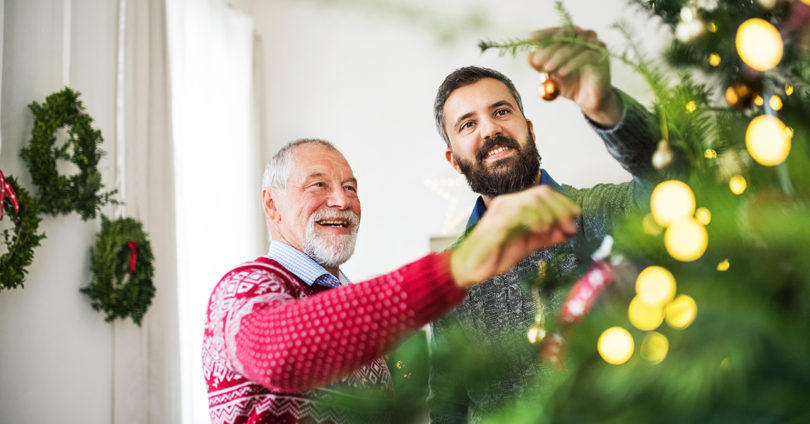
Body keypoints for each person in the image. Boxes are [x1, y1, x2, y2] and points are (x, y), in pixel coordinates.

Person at [202, 138, 584, 423]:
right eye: (318, 185)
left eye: (350, 187)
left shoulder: (353, 312)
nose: (341, 200)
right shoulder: (244, 287)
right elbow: (277, 352)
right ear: (271, 204)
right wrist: (455, 267)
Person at [428, 27, 658, 422]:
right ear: (454, 161)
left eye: (501, 111)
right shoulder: (449, 275)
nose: (490, 129)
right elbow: (450, 404)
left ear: (529, 129)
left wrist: (606, 107)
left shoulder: (605, 209)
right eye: (467, 124)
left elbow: (667, 181)